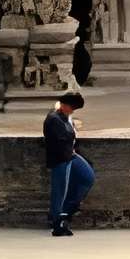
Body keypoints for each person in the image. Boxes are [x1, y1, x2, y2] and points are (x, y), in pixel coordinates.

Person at [43, 91, 95, 237]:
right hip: (61, 159)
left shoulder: (65, 116)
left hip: (70, 155)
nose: (73, 111)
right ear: (65, 105)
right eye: (72, 108)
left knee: (87, 177)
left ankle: (66, 211)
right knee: (60, 191)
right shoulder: (54, 119)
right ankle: (57, 222)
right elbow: (61, 140)